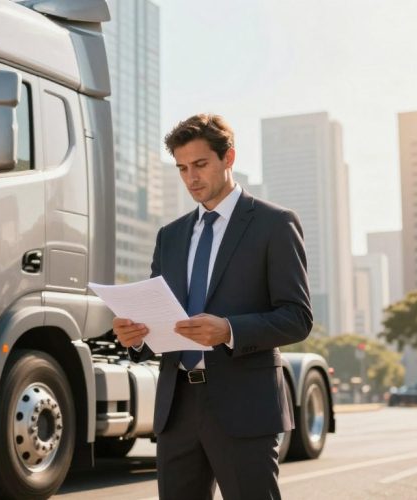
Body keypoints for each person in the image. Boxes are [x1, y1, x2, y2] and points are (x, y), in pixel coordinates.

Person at [113, 114, 312, 499]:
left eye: (200, 164)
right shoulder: (170, 236)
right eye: (182, 168)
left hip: (243, 405)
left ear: (228, 157)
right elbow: (161, 316)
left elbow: (297, 317)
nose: (191, 177)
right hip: (177, 408)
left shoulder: (274, 224)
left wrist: (229, 330)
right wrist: (135, 337)